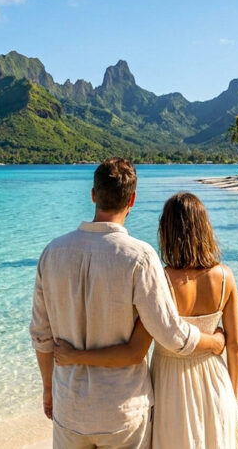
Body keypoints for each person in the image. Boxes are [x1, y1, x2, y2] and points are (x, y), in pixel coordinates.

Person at [29, 158, 226, 449]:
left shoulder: (52, 252)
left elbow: (41, 337)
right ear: (132, 199)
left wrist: (49, 390)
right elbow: (170, 334)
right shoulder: (140, 257)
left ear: (93, 195)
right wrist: (214, 342)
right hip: (122, 409)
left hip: (69, 406)